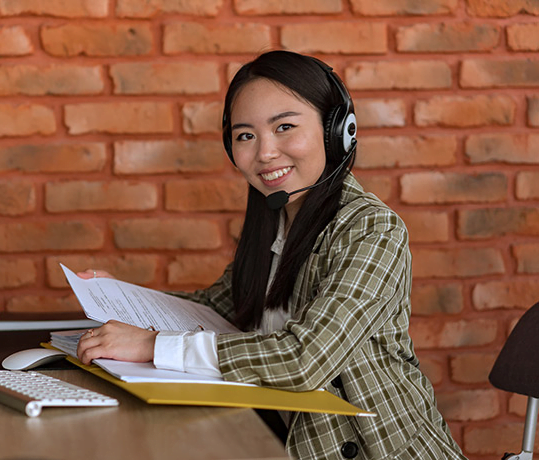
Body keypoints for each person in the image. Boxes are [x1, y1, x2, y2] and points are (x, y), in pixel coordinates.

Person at [76, 50, 467, 459]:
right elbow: (216, 309)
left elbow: (305, 358)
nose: (264, 152)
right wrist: (118, 297)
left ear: (338, 132)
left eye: (284, 127)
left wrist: (152, 345)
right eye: (245, 135)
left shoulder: (371, 230)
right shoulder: (274, 221)